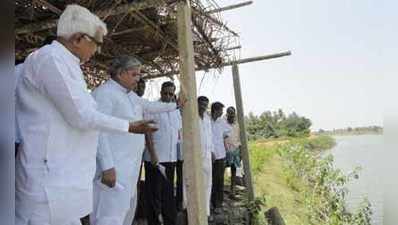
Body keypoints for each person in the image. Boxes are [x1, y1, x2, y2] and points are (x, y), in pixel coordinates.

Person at [15, 5, 156, 225]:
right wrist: (129, 127)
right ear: (79, 38)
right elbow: (82, 115)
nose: (97, 50)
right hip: (47, 179)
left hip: (63, 177)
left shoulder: (67, 63)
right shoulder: (49, 59)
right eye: (96, 43)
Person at [91, 56, 179, 225]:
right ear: (120, 73)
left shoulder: (130, 95)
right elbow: (98, 131)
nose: (138, 79)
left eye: (139, 75)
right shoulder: (104, 94)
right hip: (114, 169)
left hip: (130, 170)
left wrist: (176, 105)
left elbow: (150, 106)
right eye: (134, 74)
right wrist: (107, 167)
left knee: (125, 215)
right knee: (108, 217)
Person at [143, 81, 182, 225]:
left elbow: (177, 133)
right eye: (165, 93)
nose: (168, 96)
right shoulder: (153, 108)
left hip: (170, 159)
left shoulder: (176, 111)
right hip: (155, 159)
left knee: (168, 194)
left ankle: (169, 221)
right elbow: (147, 132)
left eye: (171, 94)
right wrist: (152, 154)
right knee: (154, 195)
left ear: (174, 94)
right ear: (160, 92)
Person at [210, 102, 231, 214]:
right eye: (221, 111)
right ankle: (212, 204)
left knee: (220, 180)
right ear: (215, 110)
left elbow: (226, 136)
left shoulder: (222, 122)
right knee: (211, 180)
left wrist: (227, 150)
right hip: (209, 156)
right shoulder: (206, 121)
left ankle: (219, 203)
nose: (222, 113)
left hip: (221, 155)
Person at [197, 96, 214, 218]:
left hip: (207, 155)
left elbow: (210, 136)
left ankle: (206, 211)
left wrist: (212, 151)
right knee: (197, 183)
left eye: (205, 105)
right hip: (196, 156)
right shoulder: (192, 117)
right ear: (197, 104)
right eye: (201, 104)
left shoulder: (207, 119)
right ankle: (195, 210)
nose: (203, 107)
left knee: (208, 184)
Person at [224, 107, 241, 197]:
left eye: (232, 113)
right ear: (227, 114)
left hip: (235, 150)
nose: (231, 115)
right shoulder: (223, 124)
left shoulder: (237, 125)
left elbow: (239, 138)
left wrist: (240, 150)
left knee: (234, 170)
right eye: (229, 113)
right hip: (225, 151)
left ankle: (232, 190)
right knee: (221, 170)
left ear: (235, 114)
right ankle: (220, 190)